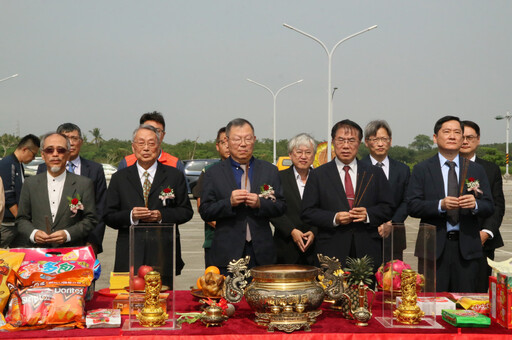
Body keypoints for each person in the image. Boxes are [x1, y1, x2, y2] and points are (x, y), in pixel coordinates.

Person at [407, 116, 494, 292]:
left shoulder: (475, 170)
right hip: (433, 249)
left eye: (457, 133)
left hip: (467, 248)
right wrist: (440, 205)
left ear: (462, 138)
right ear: (435, 137)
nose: (452, 136)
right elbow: (412, 205)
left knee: (465, 304)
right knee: (432, 306)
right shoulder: (422, 169)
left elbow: (489, 205)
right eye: (446, 132)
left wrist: (475, 204)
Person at [105, 124, 193, 286]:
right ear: (133, 147)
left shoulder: (174, 176)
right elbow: (109, 215)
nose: (146, 148)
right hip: (130, 251)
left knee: (162, 301)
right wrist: (131, 216)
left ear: (158, 147)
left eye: (151, 143)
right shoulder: (119, 178)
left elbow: (186, 211)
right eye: (141, 143)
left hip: (162, 252)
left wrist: (161, 216)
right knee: (128, 301)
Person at [301, 120, 393, 274]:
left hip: (366, 249)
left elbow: (388, 207)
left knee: (365, 296)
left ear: (360, 143)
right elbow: (307, 212)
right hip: (331, 250)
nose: (345, 146)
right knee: (331, 296)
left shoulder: (374, 173)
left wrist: (368, 215)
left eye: (351, 141)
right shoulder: (318, 175)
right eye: (341, 140)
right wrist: (334, 218)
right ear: (333, 142)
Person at [199, 118, 286, 274]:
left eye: (248, 138)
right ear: (227, 141)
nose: (243, 144)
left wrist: (260, 203)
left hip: (262, 253)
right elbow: (205, 210)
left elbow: (281, 206)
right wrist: (229, 202)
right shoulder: (214, 173)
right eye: (237, 139)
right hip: (227, 253)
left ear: (254, 140)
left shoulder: (269, 170)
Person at [13, 132, 97, 248]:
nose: (55, 154)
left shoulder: (84, 184)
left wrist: (68, 234)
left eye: (61, 150)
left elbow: (91, 219)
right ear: (43, 155)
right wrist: (34, 233)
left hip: (70, 254)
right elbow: (21, 219)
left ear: (68, 154)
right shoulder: (30, 183)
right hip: (38, 253)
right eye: (49, 150)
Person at [37, 123, 107, 255]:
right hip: (50, 241)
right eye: (66, 138)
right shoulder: (42, 168)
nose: (71, 142)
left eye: (75, 138)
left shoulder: (95, 169)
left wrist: (93, 242)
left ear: (81, 142)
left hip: (84, 241)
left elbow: (100, 208)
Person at [460, 120, 505, 292]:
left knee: (477, 295)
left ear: (478, 140)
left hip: (481, 243)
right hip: (451, 243)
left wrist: (485, 233)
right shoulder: (444, 167)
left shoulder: (490, 169)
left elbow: (498, 206)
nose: (465, 141)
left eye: (469, 137)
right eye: (461, 137)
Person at [361, 120, 410, 260]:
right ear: (366, 142)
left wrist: (392, 223)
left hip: (394, 236)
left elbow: (407, 200)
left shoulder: (402, 170)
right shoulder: (358, 168)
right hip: (365, 235)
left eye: (384, 139)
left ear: (390, 141)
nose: (380, 144)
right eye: (375, 139)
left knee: (393, 280)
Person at [270, 133, 317, 265]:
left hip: (315, 248)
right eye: (299, 152)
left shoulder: (322, 179)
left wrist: (314, 231)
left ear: (313, 156)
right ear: (290, 155)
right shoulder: (275, 177)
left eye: (308, 152)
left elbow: (327, 207)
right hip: (285, 246)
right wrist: (291, 230)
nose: (303, 156)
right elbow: (269, 206)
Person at [192, 127, 230, 268]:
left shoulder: (249, 170)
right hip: (214, 240)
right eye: (223, 142)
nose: (227, 145)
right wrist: (228, 229)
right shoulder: (209, 172)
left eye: (230, 141)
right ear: (217, 146)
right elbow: (203, 207)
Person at [0, 134, 40, 248]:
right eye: (33, 154)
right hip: (6, 224)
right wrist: (20, 218)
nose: (33, 158)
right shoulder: (8, 164)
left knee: (22, 253)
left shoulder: (18, 165)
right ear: (25, 149)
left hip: (16, 224)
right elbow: (8, 196)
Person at [118, 111, 185, 173]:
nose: (152, 134)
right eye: (148, 129)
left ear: (163, 135)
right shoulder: (126, 163)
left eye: (157, 131)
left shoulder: (175, 164)